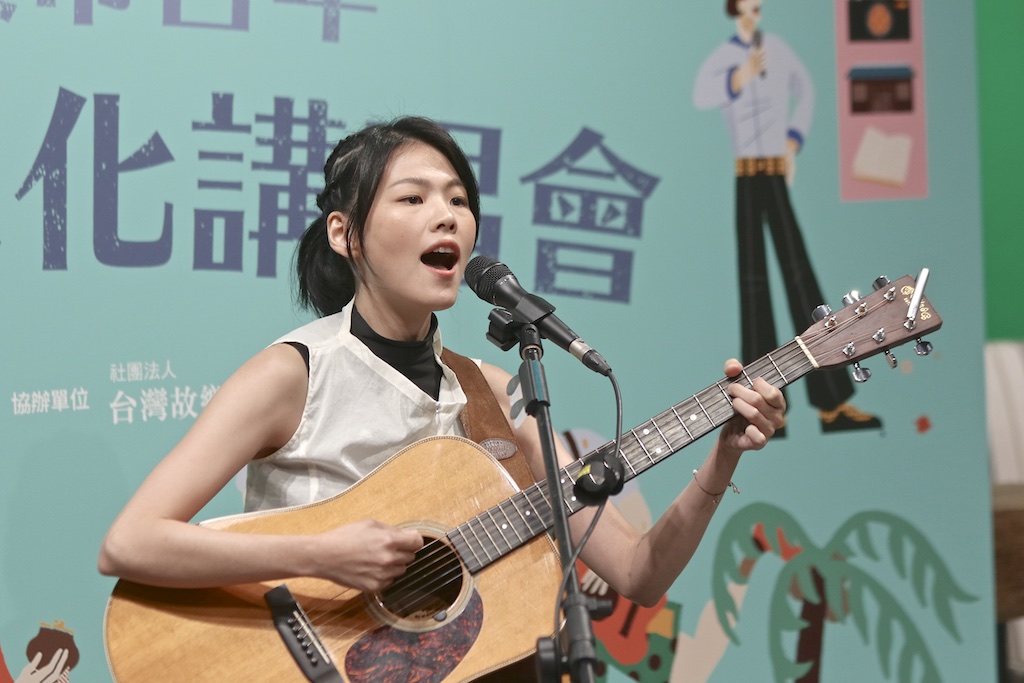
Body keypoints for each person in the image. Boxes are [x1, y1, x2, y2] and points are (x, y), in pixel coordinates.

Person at [98, 115, 786, 680]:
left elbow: (637, 572)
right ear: (345, 234)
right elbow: (130, 542)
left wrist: (722, 456)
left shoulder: (492, 391)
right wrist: (319, 555)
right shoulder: (294, 373)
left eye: (459, 200)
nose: (447, 217)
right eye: (414, 199)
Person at [693, 0, 881, 433]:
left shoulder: (776, 49)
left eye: (758, 5)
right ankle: (763, 407)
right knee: (753, 283)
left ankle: (832, 400)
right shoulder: (725, 57)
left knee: (800, 276)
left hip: (776, 169)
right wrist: (739, 77)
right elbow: (702, 95)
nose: (754, 11)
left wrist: (793, 140)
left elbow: (806, 91)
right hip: (745, 173)